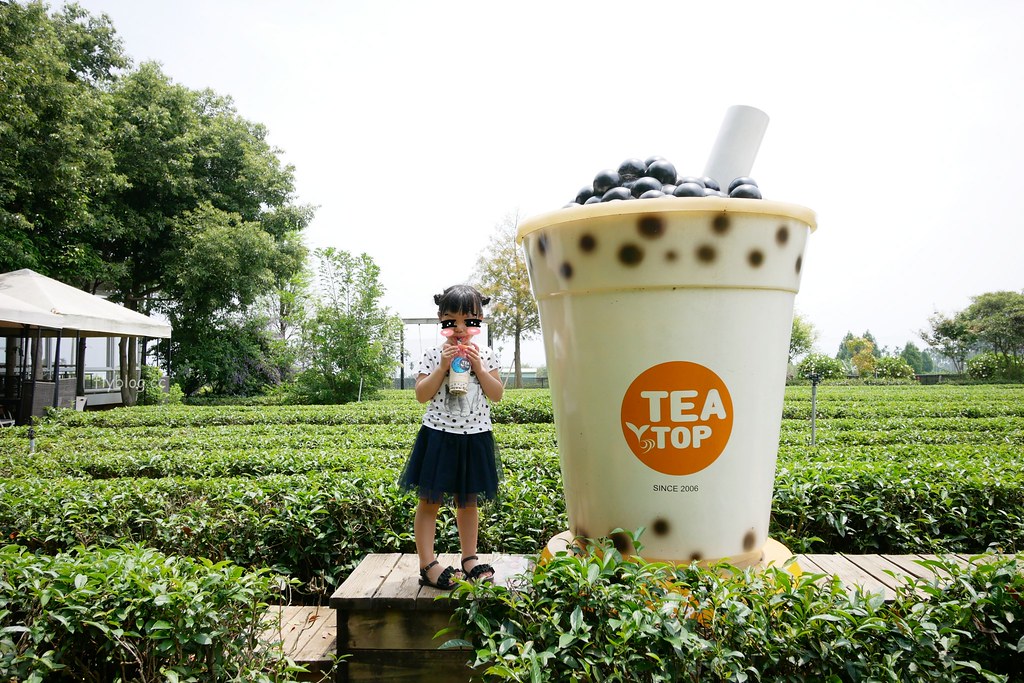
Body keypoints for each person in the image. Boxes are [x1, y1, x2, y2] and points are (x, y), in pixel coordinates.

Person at [398, 284, 505, 589]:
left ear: (479, 321)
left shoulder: (485, 355)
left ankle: (469, 558)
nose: (460, 328)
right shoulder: (434, 355)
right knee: (429, 502)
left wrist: (479, 368)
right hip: (440, 436)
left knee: (468, 502)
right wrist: (444, 366)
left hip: (475, 436)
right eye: (451, 321)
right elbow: (421, 394)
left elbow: (496, 394)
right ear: (441, 322)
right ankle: (427, 564)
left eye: (468, 320)